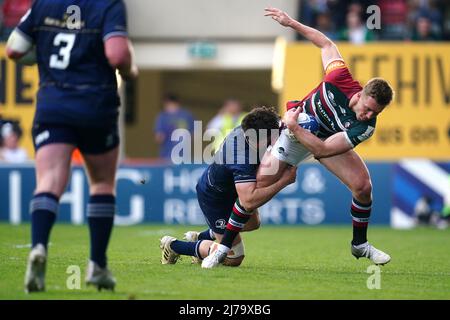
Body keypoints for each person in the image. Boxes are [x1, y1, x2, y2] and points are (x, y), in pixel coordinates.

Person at [201, 7, 394, 268]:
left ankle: (359, 244)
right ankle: (222, 246)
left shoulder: (367, 126)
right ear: (359, 95)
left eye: (375, 112)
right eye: (368, 108)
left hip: (314, 137)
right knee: (252, 195)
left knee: (363, 186)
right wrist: (291, 23)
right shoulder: (339, 77)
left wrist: (294, 125)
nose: (368, 115)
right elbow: (325, 43)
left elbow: (324, 150)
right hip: (291, 138)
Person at [6, 0, 138, 292]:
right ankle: (97, 265)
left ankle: (39, 245)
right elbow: (116, 55)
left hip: (53, 104)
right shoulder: (109, 4)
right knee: (102, 184)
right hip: (95, 106)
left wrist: (43, 57)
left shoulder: (44, 3)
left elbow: (14, 49)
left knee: (49, 181)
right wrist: (130, 71)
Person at [159, 106, 297, 267]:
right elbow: (249, 201)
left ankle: (202, 236)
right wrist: (283, 182)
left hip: (232, 187)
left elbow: (279, 123)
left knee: (253, 223)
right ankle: (174, 245)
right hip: (215, 197)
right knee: (234, 258)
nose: (274, 140)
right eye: (271, 138)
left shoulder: (254, 128)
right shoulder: (240, 157)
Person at [154, 94, 195, 161]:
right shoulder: (187, 115)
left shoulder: (163, 117)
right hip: (182, 156)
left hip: (168, 156)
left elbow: (159, 137)